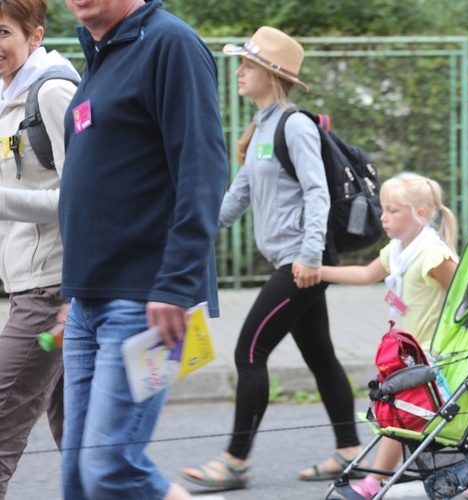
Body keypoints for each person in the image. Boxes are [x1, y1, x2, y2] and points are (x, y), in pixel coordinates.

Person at [179, 26, 364, 490]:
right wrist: (185, 228)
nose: (239, 72)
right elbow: (234, 201)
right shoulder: (262, 128)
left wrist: (307, 258)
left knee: (249, 352)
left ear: (270, 74)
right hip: (294, 260)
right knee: (321, 357)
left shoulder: (295, 125)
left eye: (247, 65)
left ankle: (236, 461)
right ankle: (350, 451)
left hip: (301, 263)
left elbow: (317, 193)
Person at [59, 0, 228, 498]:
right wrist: (71, 293)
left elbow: (203, 169)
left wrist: (177, 282)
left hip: (145, 301)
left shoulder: (169, 43)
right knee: (78, 477)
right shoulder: (101, 54)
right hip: (88, 304)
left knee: (111, 468)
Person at [316, 172, 462, 499]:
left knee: (398, 406)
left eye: (392, 210)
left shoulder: (432, 255)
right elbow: (366, 274)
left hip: (430, 354)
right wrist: (320, 273)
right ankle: (375, 480)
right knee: (396, 408)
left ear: (420, 215)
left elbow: (466, 288)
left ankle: (374, 482)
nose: (383, 216)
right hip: (407, 355)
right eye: (383, 208)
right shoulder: (397, 252)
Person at [0, 1, 79, 497]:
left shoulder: (52, 91)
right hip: (35, 285)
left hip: (51, 289)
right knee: (82, 437)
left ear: (34, 36)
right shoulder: (8, 97)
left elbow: (81, 199)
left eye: (2, 32)